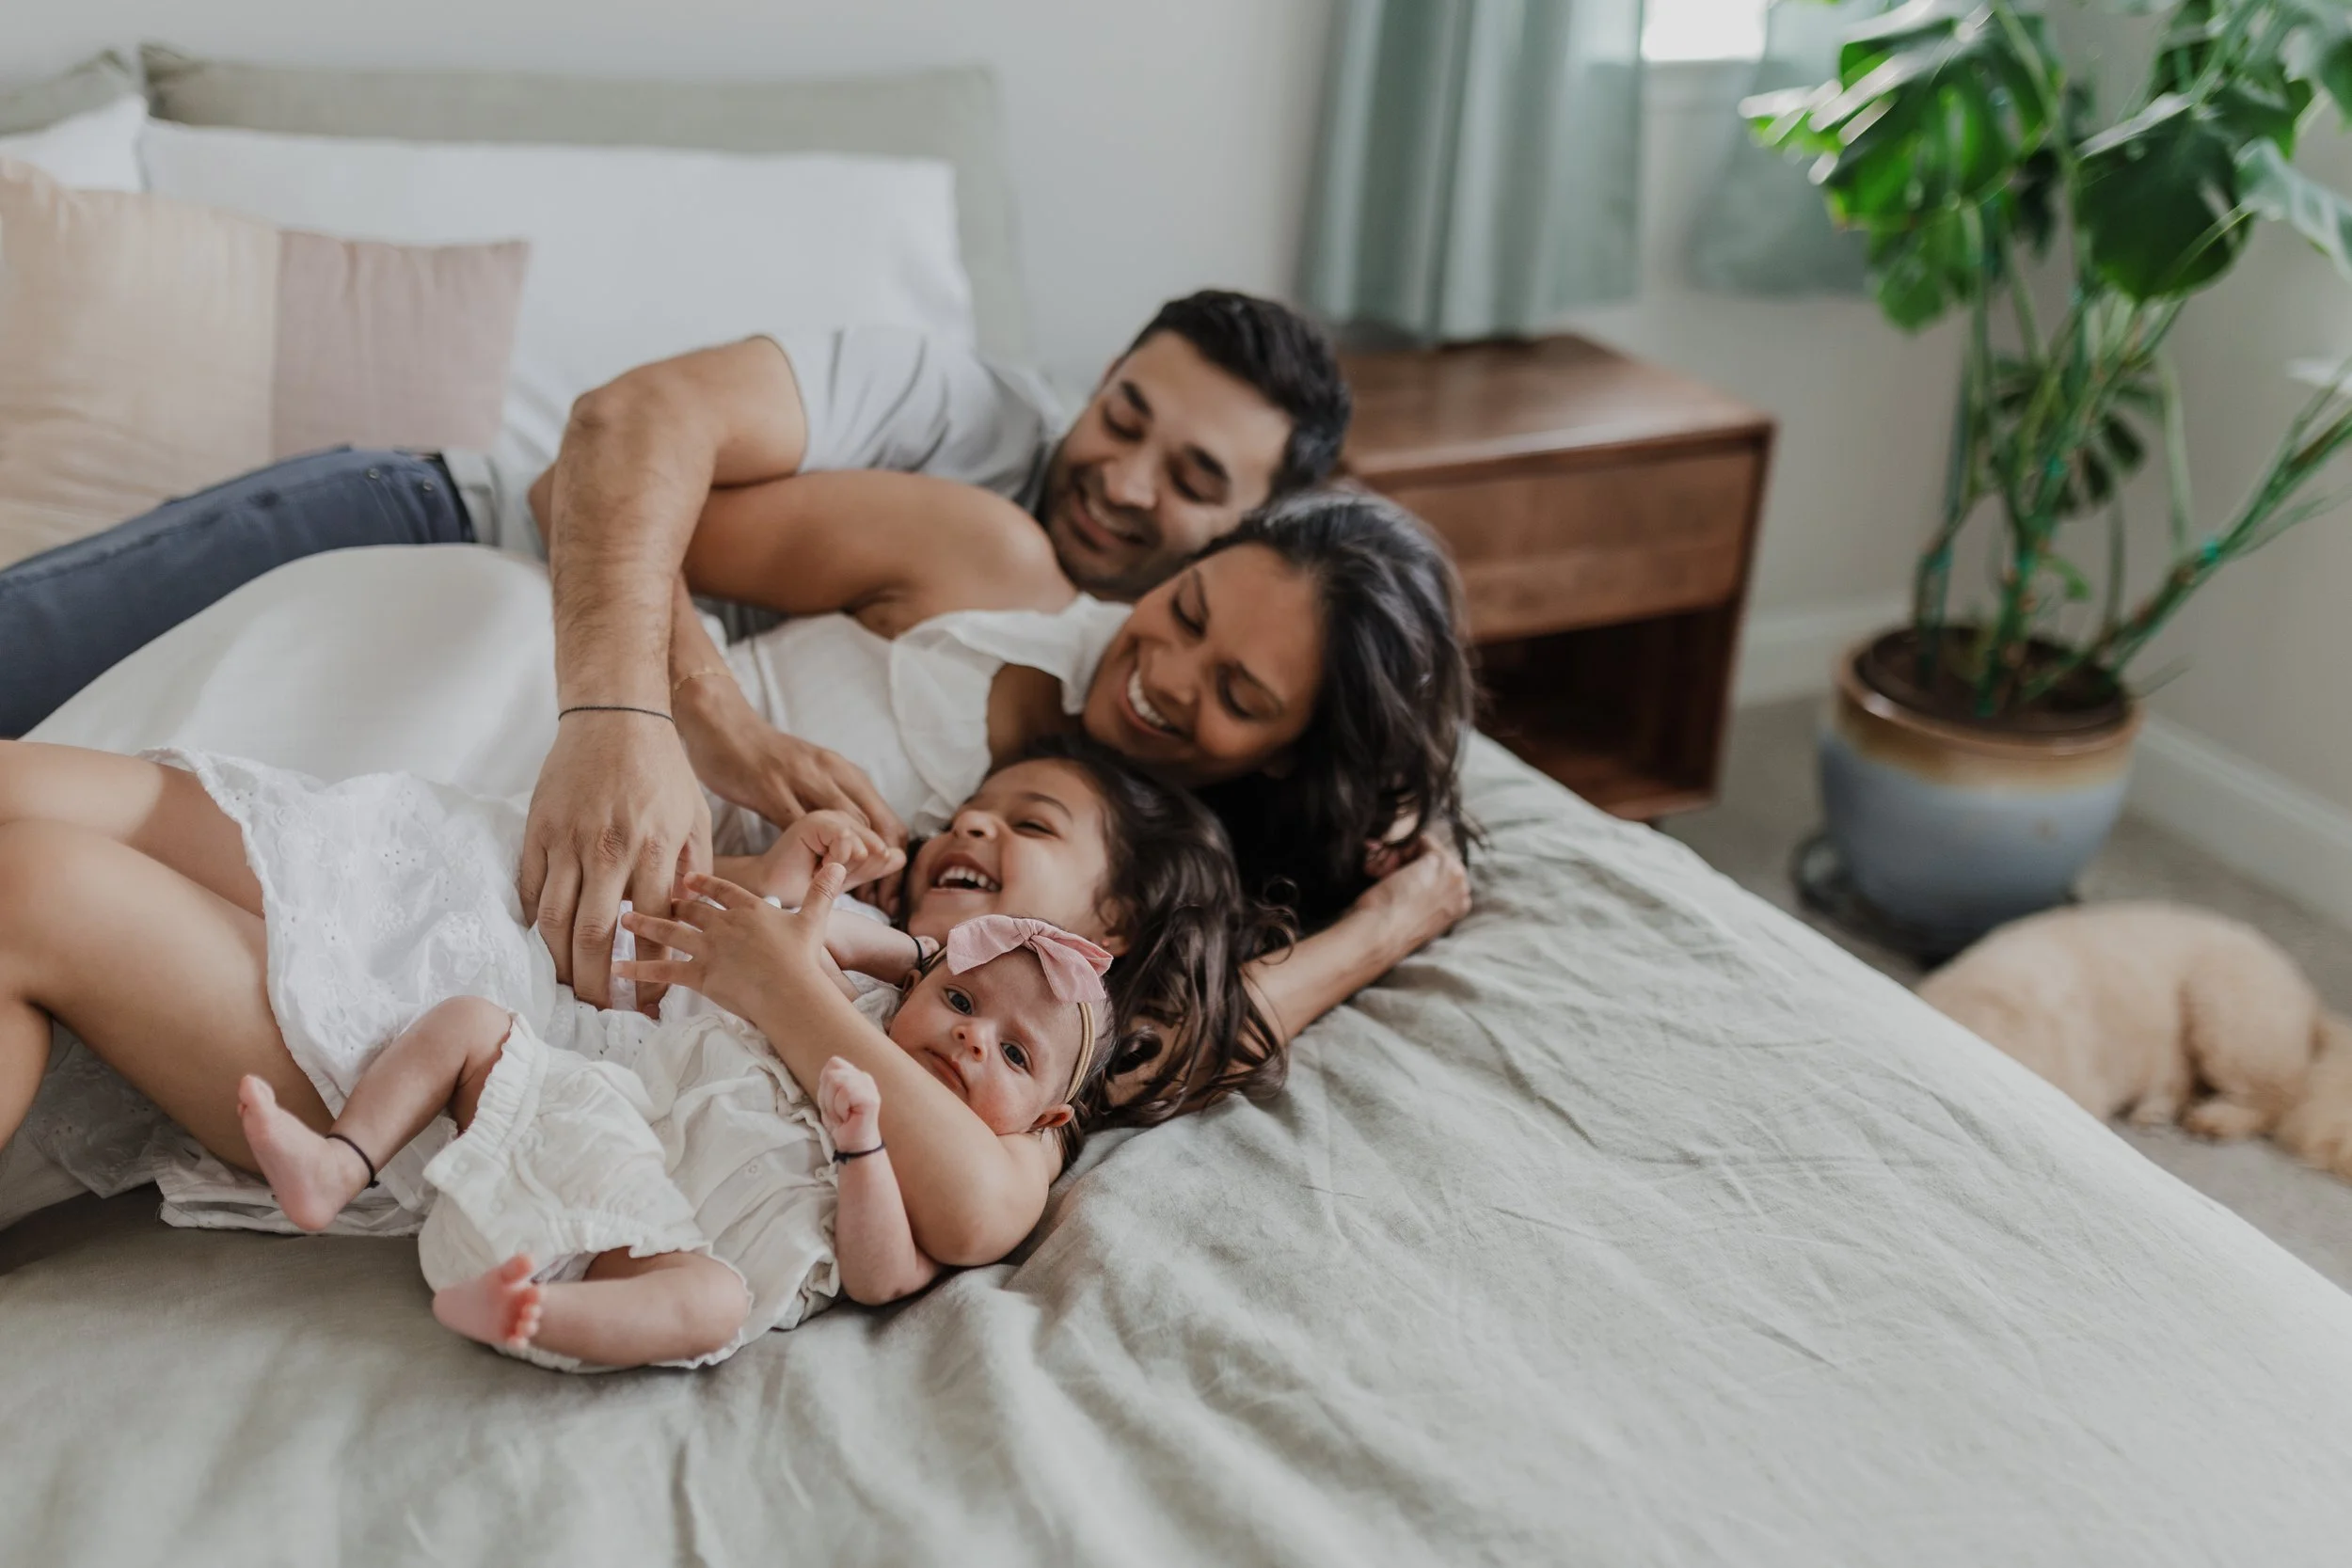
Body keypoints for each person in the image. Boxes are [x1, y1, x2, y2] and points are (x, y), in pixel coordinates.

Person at [0, 730, 1278, 1255]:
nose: (979, 826)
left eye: (1032, 823)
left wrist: (788, 982)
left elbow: (978, 1206)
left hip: (444, 1030)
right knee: (62, 788)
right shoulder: (869, 933)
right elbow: (621, 929)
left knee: (32, 880)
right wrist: (777, 882)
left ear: (1110, 929)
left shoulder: (1008, 1102)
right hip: (429, 871)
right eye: (981, 806)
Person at [231, 895, 1119, 1372]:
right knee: (472, 1021)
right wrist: (912, 958)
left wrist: (861, 1149)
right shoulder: (858, 1018)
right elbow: (808, 938)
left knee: (715, 1305)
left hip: (656, 1257)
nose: (970, 1036)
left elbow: (881, 1278)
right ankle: (338, 1161)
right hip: (588, 1135)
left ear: (1044, 1119)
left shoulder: (937, 1166)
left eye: (1013, 1052)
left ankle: (532, 1313)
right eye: (960, 1001)